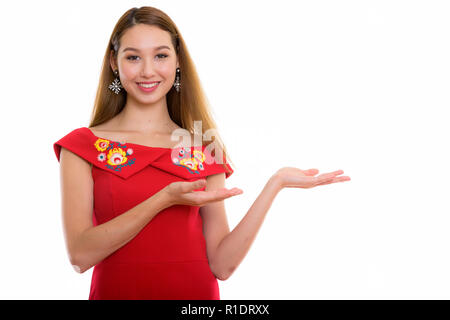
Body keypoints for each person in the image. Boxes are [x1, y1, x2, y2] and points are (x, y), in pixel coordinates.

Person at [53, 6, 351, 300]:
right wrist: (164, 199)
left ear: (177, 60)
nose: (147, 70)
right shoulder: (84, 146)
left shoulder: (203, 148)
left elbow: (222, 265)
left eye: (161, 55)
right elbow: (80, 255)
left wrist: (276, 184)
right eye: (133, 57)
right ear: (114, 63)